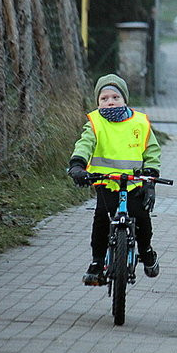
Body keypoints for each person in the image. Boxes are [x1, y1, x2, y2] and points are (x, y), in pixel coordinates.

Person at [67, 74, 162, 286]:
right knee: (101, 218)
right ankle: (97, 262)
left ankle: (146, 251)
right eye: (104, 98)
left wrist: (151, 176)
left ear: (125, 99)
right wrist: (77, 165)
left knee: (142, 219)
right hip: (106, 183)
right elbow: (85, 144)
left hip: (135, 182)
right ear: (98, 102)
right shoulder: (95, 122)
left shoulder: (140, 122)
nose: (110, 101)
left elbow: (152, 151)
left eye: (115, 97)